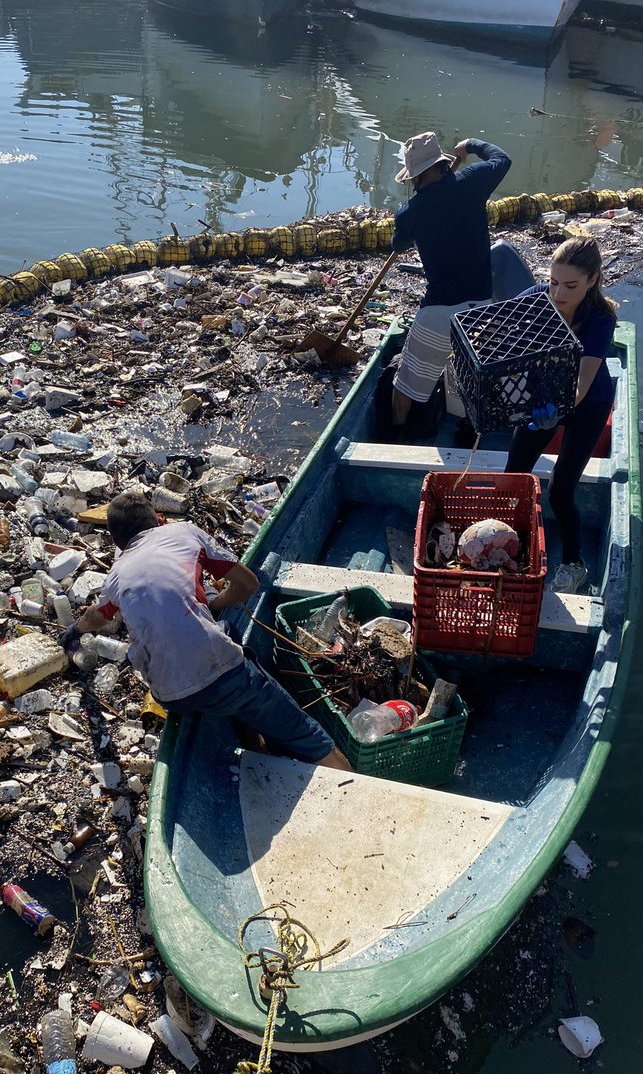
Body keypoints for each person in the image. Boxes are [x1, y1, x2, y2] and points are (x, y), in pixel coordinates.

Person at [60, 492, 352, 771]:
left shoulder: (116, 575)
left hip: (169, 695)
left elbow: (94, 619)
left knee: (228, 634)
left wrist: (72, 632)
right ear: (160, 519)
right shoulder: (185, 532)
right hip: (223, 678)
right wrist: (215, 601)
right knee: (308, 737)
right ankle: (354, 787)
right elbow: (248, 584)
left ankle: (255, 741)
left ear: (116, 540)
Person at [505, 237, 618, 594]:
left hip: (587, 405)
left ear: (591, 280)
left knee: (560, 489)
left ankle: (574, 564)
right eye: (553, 282)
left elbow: (582, 383)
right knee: (514, 477)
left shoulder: (600, 319)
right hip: (541, 401)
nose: (558, 293)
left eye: (570, 285)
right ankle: (512, 545)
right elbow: (500, 336)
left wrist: (558, 409)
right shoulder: (536, 299)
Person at [390, 132, 512, 429]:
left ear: (415, 177)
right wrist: (470, 145)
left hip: (438, 311)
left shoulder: (409, 213)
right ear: (444, 164)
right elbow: (502, 159)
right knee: (478, 379)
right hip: (479, 309)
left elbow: (398, 246)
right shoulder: (472, 181)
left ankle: (395, 432)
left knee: (405, 384)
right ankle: (475, 432)